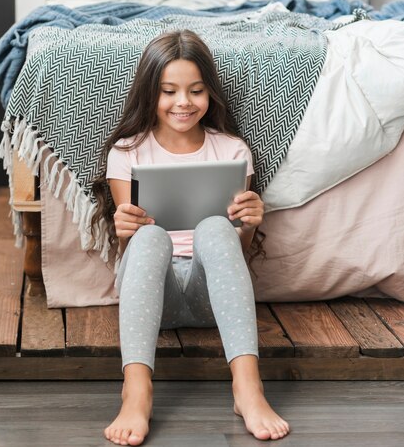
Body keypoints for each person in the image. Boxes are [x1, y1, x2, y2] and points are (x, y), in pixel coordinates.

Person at [92, 30, 290, 445]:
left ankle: (248, 388)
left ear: (209, 93)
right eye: (169, 91)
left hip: (209, 300)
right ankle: (136, 391)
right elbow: (134, 250)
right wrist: (125, 229)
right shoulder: (127, 152)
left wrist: (250, 222)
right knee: (150, 238)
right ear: (151, 93)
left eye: (195, 90)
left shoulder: (232, 150)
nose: (183, 102)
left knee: (216, 226)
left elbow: (235, 252)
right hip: (151, 299)